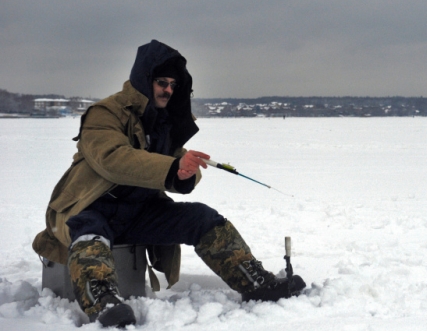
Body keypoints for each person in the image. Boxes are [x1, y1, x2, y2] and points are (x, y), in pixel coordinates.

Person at [32, 40, 305, 328]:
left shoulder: (163, 123)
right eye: (162, 82)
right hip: (91, 208)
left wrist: (186, 172)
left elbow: (180, 160)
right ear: (144, 79)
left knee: (202, 218)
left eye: (173, 84)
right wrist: (174, 167)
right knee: (89, 232)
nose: (168, 90)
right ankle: (103, 303)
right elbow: (112, 159)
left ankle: (256, 284)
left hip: (139, 213)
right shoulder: (104, 114)